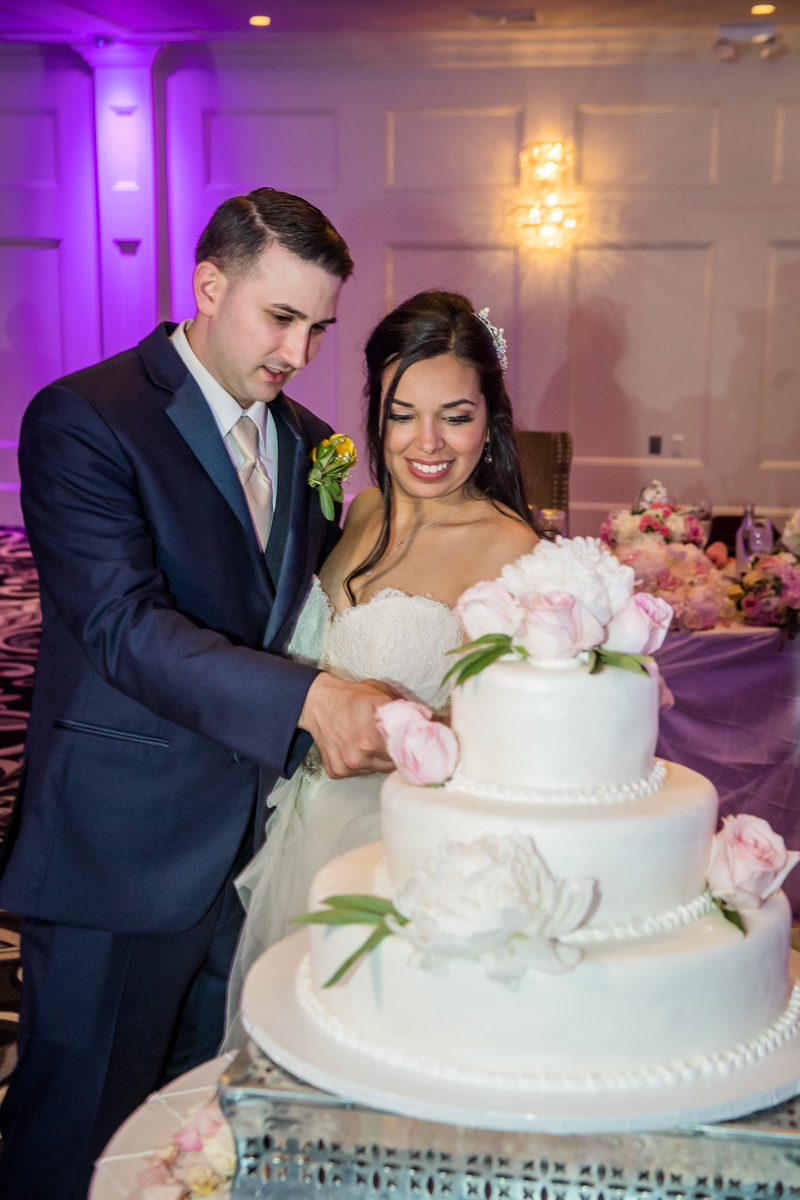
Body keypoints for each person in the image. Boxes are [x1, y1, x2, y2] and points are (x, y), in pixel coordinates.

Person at [0, 188, 397, 1200]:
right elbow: (121, 627)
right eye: (280, 317)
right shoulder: (85, 417)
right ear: (209, 286)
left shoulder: (310, 443)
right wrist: (309, 700)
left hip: (251, 855)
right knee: (74, 1133)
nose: (300, 352)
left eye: (318, 327)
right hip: (117, 852)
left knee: (189, 1135)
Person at [224, 290, 539, 1045]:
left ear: (489, 419)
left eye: (455, 416)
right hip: (294, 825)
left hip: (397, 853)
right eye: (402, 414)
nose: (427, 442)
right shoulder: (361, 509)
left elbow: (519, 744)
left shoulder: (515, 552)